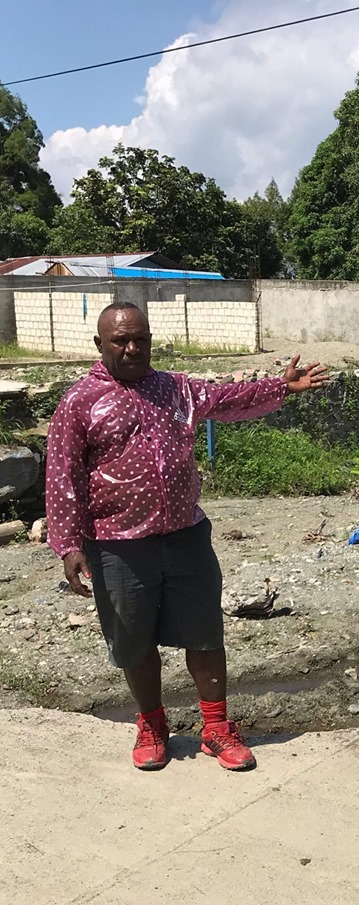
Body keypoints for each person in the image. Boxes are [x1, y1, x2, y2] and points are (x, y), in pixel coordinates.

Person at [45, 301, 328, 772]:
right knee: (134, 639)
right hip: (118, 544)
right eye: (121, 340)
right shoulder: (80, 402)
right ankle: (152, 725)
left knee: (204, 632)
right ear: (100, 345)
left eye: (141, 338)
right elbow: (62, 476)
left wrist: (281, 387)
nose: (133, 347)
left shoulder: (175, 388)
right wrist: (69, 545)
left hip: (185, 536)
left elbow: (228, 398)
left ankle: (216, 728)